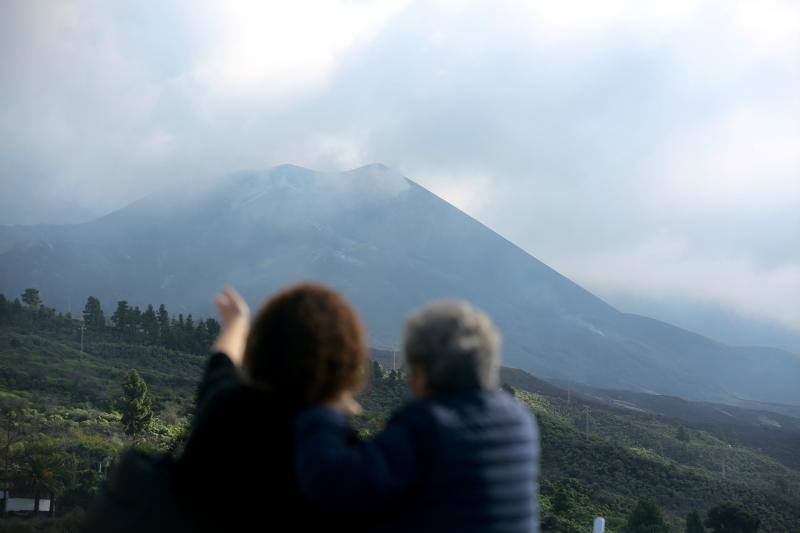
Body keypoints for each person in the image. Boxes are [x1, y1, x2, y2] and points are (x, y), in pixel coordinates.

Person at [294, 300, 540, 532]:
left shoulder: (430, 424)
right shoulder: (520, 421)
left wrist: (327, 405)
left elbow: (333, 484)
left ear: (422, 373)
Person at [174, 283, 370, 531]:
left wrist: (237, 322)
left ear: (261, 350)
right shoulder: (342, 457)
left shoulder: (224, 409)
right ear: (347, 366)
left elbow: (222, 361)